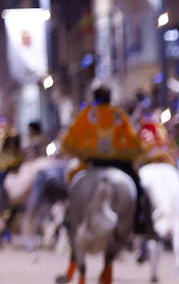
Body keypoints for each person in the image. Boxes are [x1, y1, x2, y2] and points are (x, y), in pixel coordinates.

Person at [62, 85, 154, 230]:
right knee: (137, 185)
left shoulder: (87, 114)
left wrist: (81, 152)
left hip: (92, 163)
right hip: (118, 164)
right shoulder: (119, 115)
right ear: (110, 98)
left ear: (94, 97)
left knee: (71, 184)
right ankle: (139, 219)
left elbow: (69, 141)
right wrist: (139, 151)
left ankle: (68, 217)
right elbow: (133, 141)